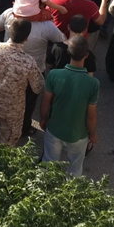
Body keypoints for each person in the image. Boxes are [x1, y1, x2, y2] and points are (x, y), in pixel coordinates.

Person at [0, 18, 44, 146]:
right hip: (12, 112)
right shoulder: (28, 62)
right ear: (26, 38)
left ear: (10, 31)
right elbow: (38, 87)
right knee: (5, 147)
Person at [40, 35, 99, 177]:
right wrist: (92, 134)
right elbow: (91, 116)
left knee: (48, 163)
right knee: (75, 167)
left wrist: (43, 119)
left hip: (54, 129)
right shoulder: (93, 84)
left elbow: (46, 102)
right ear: (87, 55)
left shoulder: (54, 74)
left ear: (68, 52)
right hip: (78, 134)